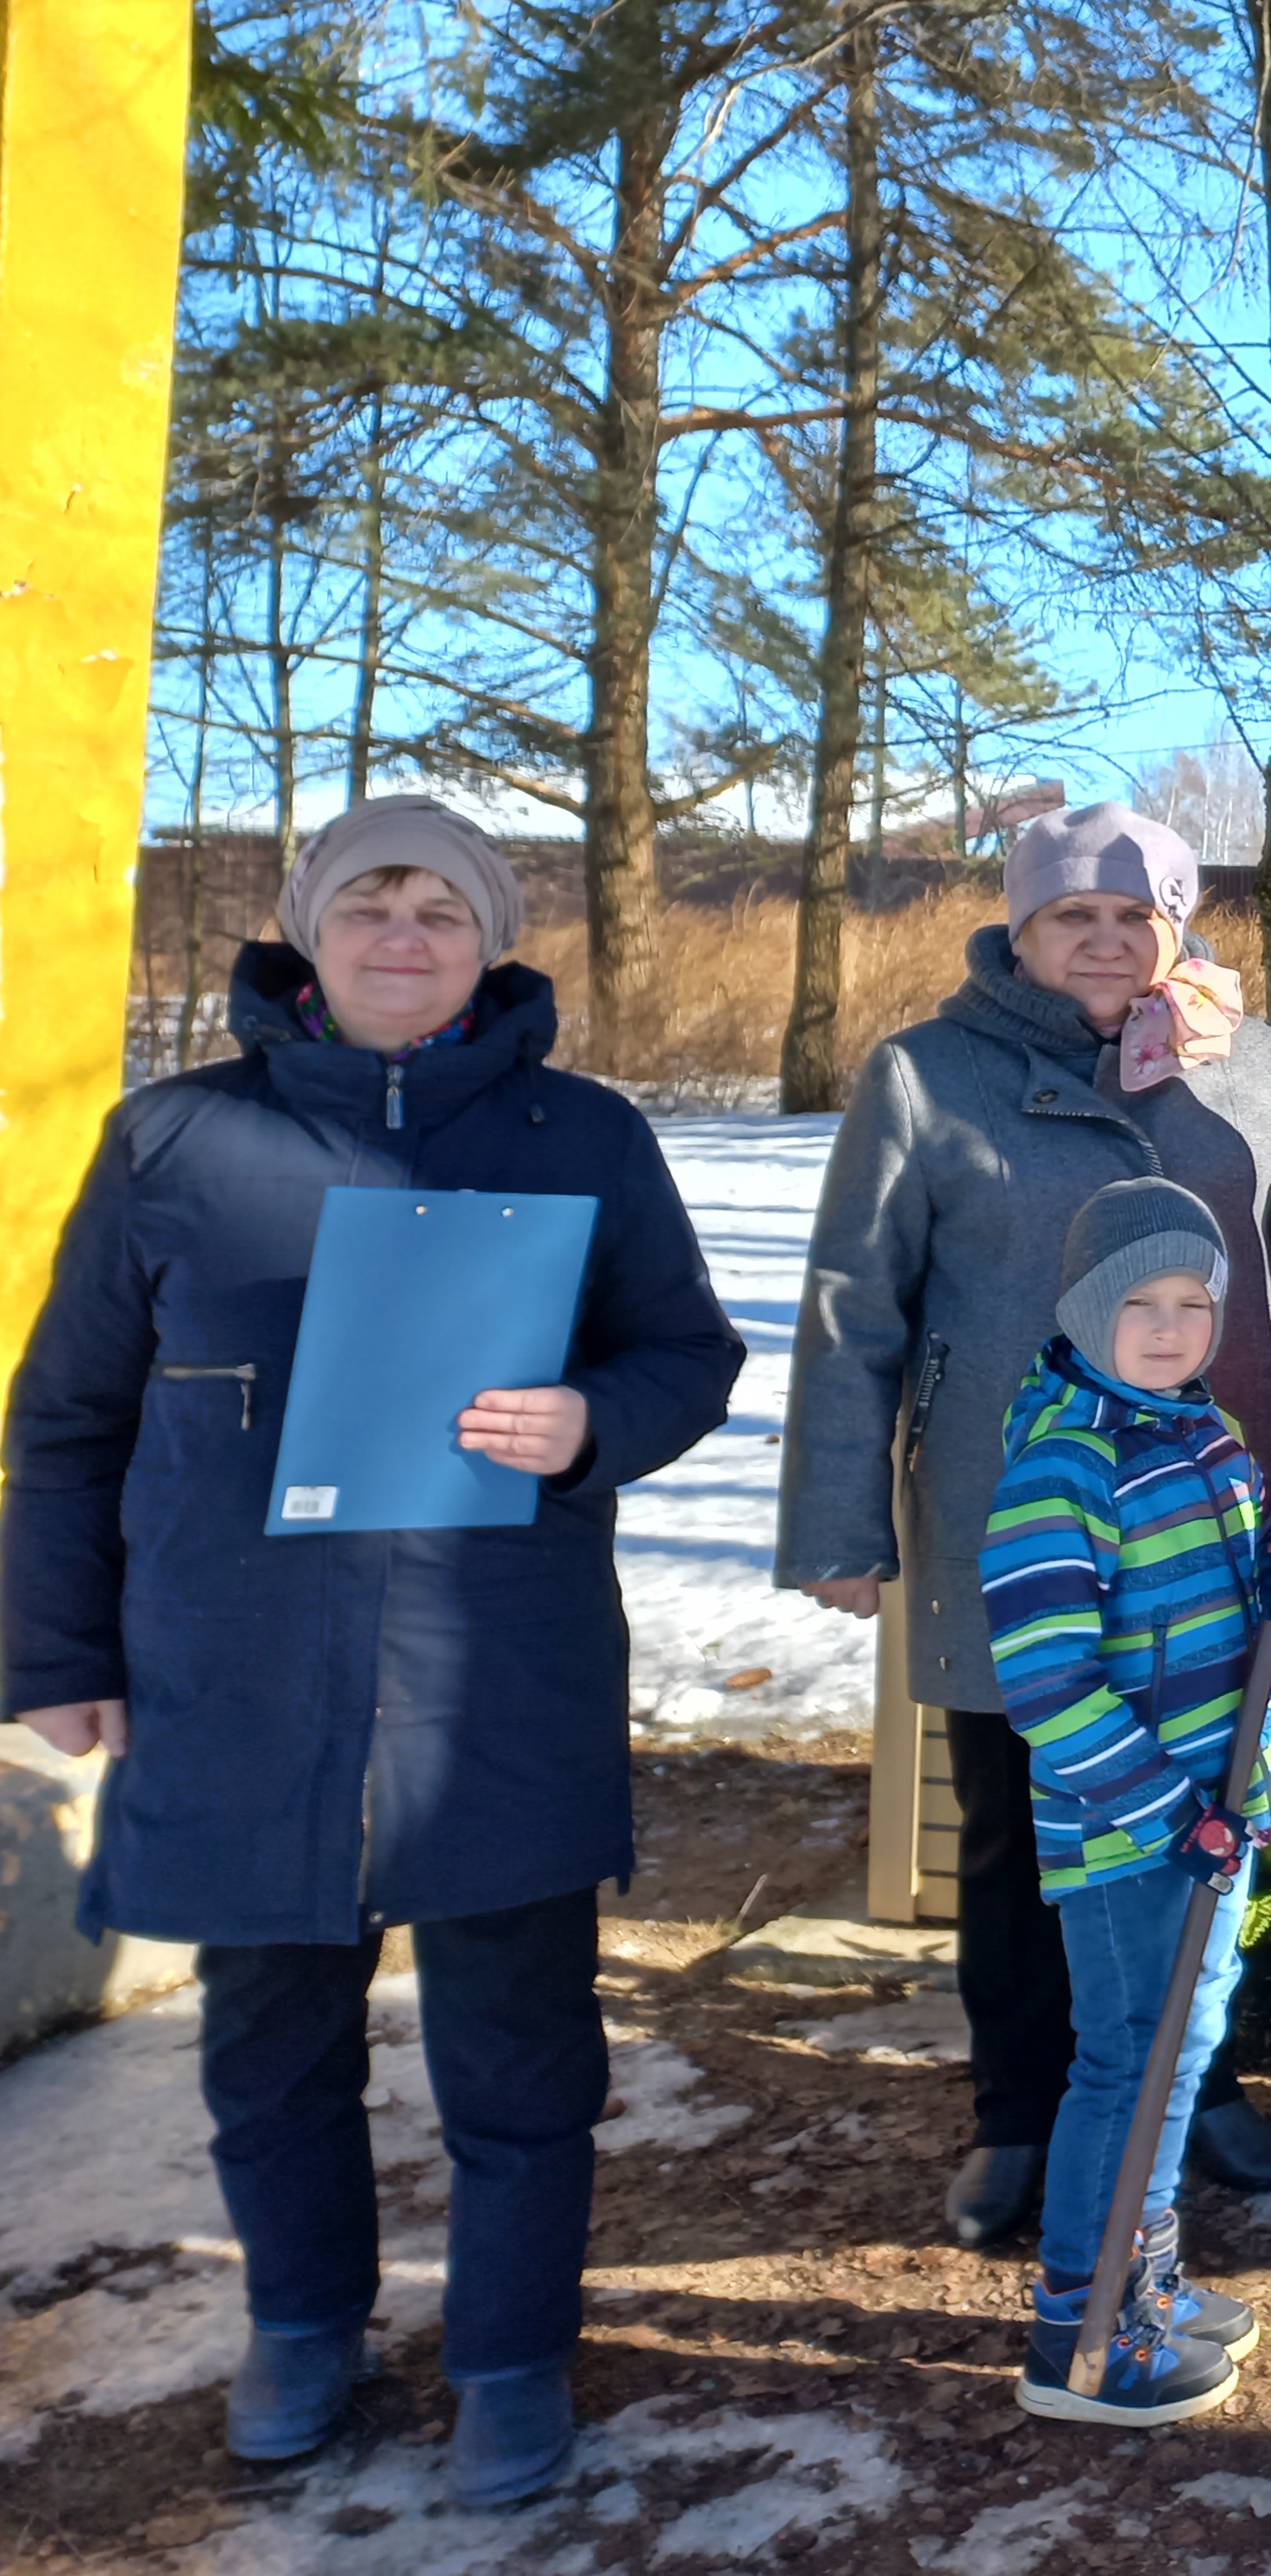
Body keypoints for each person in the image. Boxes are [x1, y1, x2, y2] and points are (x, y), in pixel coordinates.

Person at [3, 795, 742, 2505]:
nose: (401, 937)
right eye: (368, 908)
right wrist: (55, 1651)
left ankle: (505, 2358)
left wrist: (589, 1419)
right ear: (309, 936)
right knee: (268, 2042)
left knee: (521, 2050)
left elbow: (685, 1355)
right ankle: (305, 2322)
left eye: (438, 911)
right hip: (242, 1672)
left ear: (488, 940)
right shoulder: (175, 1138)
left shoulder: (585, 1134)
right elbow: (70, 1420)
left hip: (501, 1669)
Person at [781, 803, 1271, 2246]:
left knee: (1215, 1816)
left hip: (1214, 1536)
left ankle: (1202, 2078)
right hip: (1016, 1521)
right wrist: (840, 1520)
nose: (1105, 942)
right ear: (1020, 930)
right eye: (1071, 917)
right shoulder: (929, 1077)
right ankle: (1019, 2110)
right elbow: (854, 1306)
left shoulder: (1256, 1070)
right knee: (1014, 1829)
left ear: (1177, 926)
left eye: (1135, 916)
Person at [985, 1183, 1271, 2428]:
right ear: (1083, 1311)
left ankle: (1148, 2273)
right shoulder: (1064, 1467)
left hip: (1211, 1816)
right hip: (1134, 1833)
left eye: (1194, 1301)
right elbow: (1048, 1685)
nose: (1172, 1326)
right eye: (1141, 1303)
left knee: (1176, 2057)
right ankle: (1083, 2325)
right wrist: (1170, 1812)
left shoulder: (1201, 1428)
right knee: (1129, 2063)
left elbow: (1230, 1589)